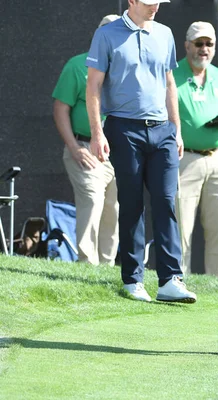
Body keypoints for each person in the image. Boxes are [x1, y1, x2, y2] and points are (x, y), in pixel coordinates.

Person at [86, 0, 196, 303]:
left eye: (158, 2)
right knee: (132, 202)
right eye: (149, 2)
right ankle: (133, 278)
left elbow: (169, 82)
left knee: (165, 201)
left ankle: (170, 280)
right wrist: (98, 133)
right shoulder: (107, 35)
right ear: (132, 1)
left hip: (162, 130)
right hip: (124, 128)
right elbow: (94, 86)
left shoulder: (165, 33)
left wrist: (177, 130)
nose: (156, 7)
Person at [173, 21, 218, 278]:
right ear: (187, 45)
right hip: (184, 158)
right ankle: (178, 280)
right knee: (182, 228)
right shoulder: (172, 74)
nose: (204, 49)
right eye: (198, 43)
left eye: (208, 44)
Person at [52, 14, 120, 266]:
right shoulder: (77, 65)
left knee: (113, 209)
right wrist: (74, 147)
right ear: (98, 36)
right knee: (92, 201)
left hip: (119, 151)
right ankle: (87, 265)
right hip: (84, 147)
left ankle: (107, 266)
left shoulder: (125, 68)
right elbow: (60, 109)